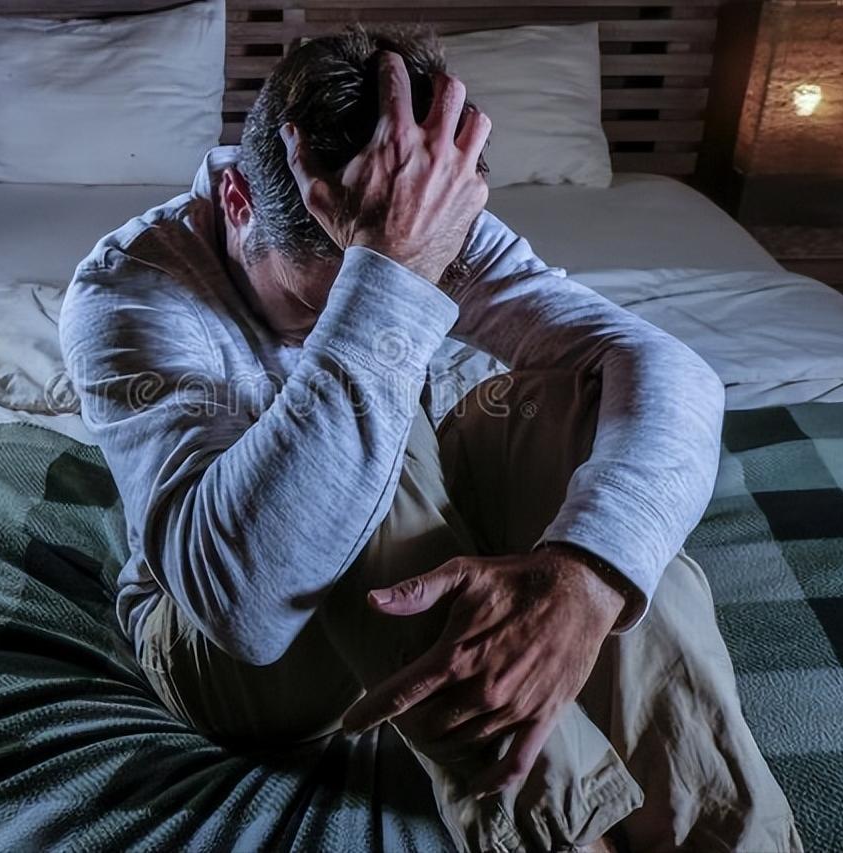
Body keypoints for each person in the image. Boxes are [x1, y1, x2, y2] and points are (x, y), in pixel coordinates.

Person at [59, 29, 802, 853]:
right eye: (319, 301)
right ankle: (563, 835)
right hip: (220, 642)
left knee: (573, 408)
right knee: (370, 417)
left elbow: (670, 371)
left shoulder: (425, 217)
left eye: (413, 258)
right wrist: (388, 277)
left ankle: (733, 841)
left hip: (380, 585)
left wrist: (587, 578)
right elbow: (247, 613)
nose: (412, 272)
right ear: (239, 204)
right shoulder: (130, 289)